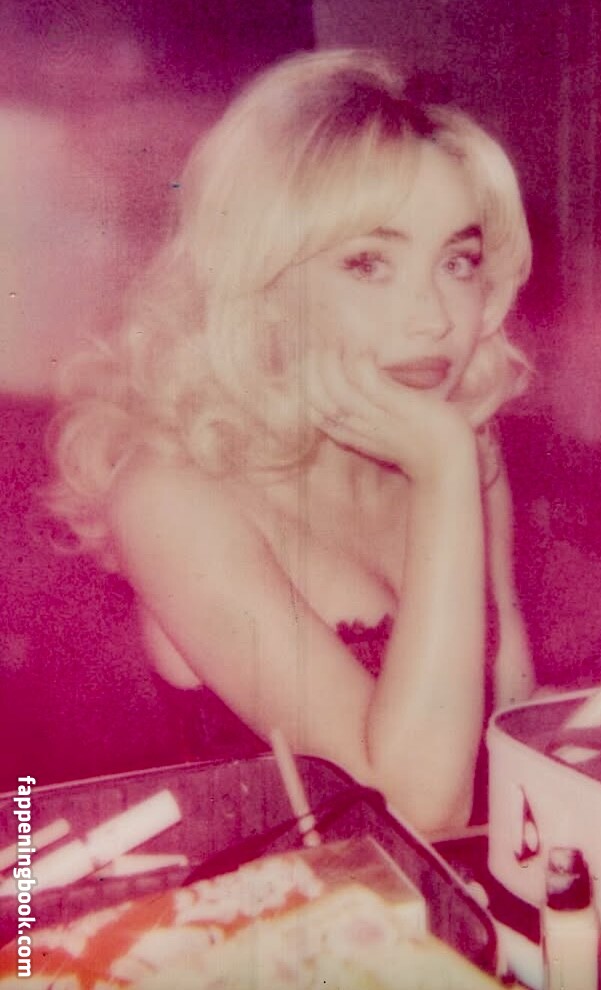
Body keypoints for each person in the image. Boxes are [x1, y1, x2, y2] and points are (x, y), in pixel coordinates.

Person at [44, 48, 536, 834]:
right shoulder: (173, 495)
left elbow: (511, 725)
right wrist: (445, 475)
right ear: (266, 285)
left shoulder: (463, 442)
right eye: (368, 263)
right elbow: (416, 812)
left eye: (459, 261)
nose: (435, 317)